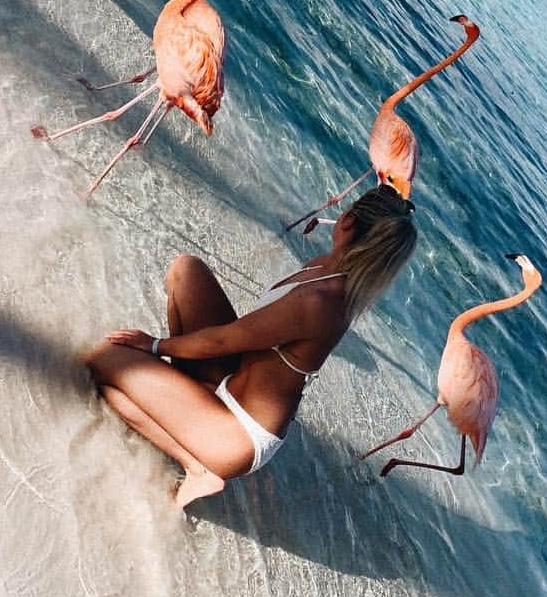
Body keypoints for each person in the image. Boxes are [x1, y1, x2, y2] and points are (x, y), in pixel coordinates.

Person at [84, 184, 417, 507]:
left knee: (104, 358)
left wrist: (155, 346)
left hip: (239, 434)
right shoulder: (322, 267)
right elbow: (240, 337)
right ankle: (178, 399)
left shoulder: (322, 300)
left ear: (347, 222)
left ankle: (198, 468)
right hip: (232, 383)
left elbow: (221, 340)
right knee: (187, 270)